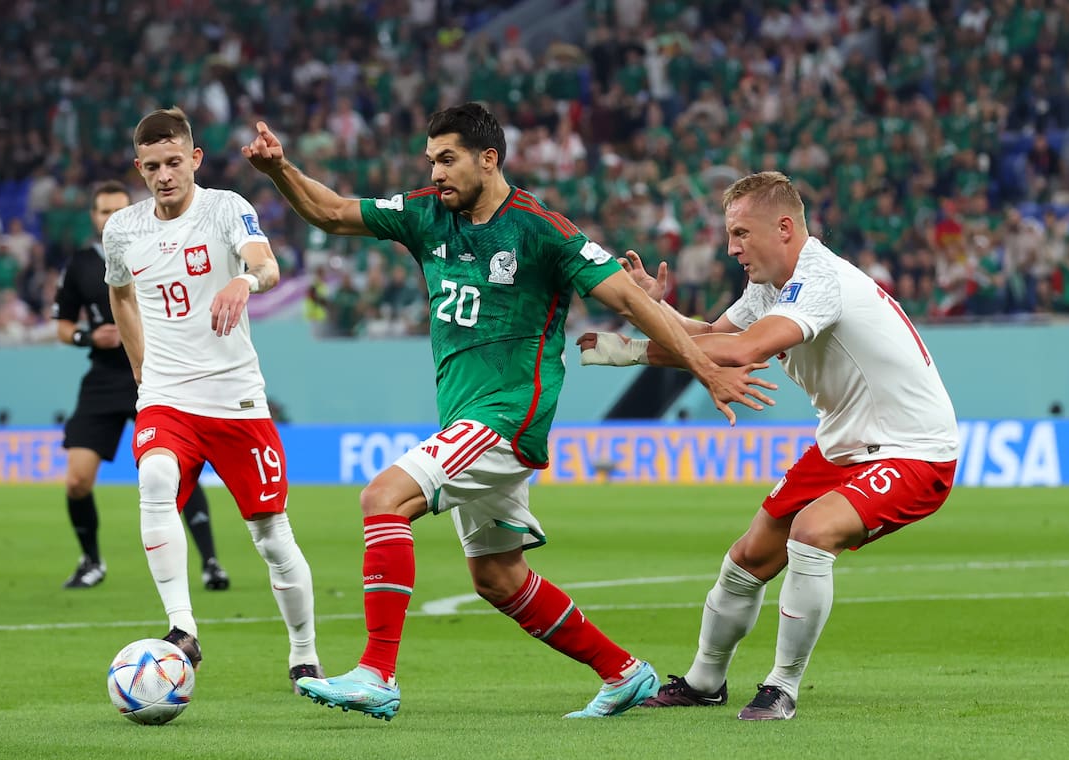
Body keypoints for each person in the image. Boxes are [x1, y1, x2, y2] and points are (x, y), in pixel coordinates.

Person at [244, 102, 775, 720]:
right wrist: (280, 170)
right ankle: (624, 672)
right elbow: (332, 212)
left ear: (488, 159)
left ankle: (376, 673)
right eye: (431, 160)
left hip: (506, 416)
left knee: (382, 497)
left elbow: (630, 302)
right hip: (464, 418)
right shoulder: (425, 214)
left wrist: (703, 365)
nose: (435, 172)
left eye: (448, 159)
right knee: (498, 577)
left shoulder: (541, 230)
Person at [579, 171, 959, 720]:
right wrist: (647, 310)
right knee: (748, 557)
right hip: (842, 444)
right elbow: (709, 337)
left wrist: (631, 350)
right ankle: (705, 682)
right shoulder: (769, 287)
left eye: (740, 233)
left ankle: (782, 687)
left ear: (784, 228)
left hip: (913, 449)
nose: (731, 248)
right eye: (729, 235)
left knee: (812, 532)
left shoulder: (820, 278)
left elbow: (744, 350)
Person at [104, 107, 321, 688]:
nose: (164, 175)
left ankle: (304, 654)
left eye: (174, 162)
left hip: (235, 399)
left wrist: (242, 280)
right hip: (167, 396)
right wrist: (142, 371)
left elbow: (267, 267)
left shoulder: (226, 207)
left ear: (195, 158)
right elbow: (120, 295)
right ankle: (182, 628)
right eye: (152, 166)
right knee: (154, 478)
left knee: (271, 535)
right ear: (139, 168)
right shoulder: (122, 229)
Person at [53, 180, 231, 591]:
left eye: (118, 210)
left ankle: (210, 562)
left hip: (157, 372)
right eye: (103, 211)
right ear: (93, 217)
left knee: (178, 470)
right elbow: (62, 325)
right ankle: (91, 561)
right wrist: (86, 336)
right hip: (103, 377)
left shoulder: (157, 246)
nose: (110, 218)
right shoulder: (80, 264)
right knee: (77, 480)